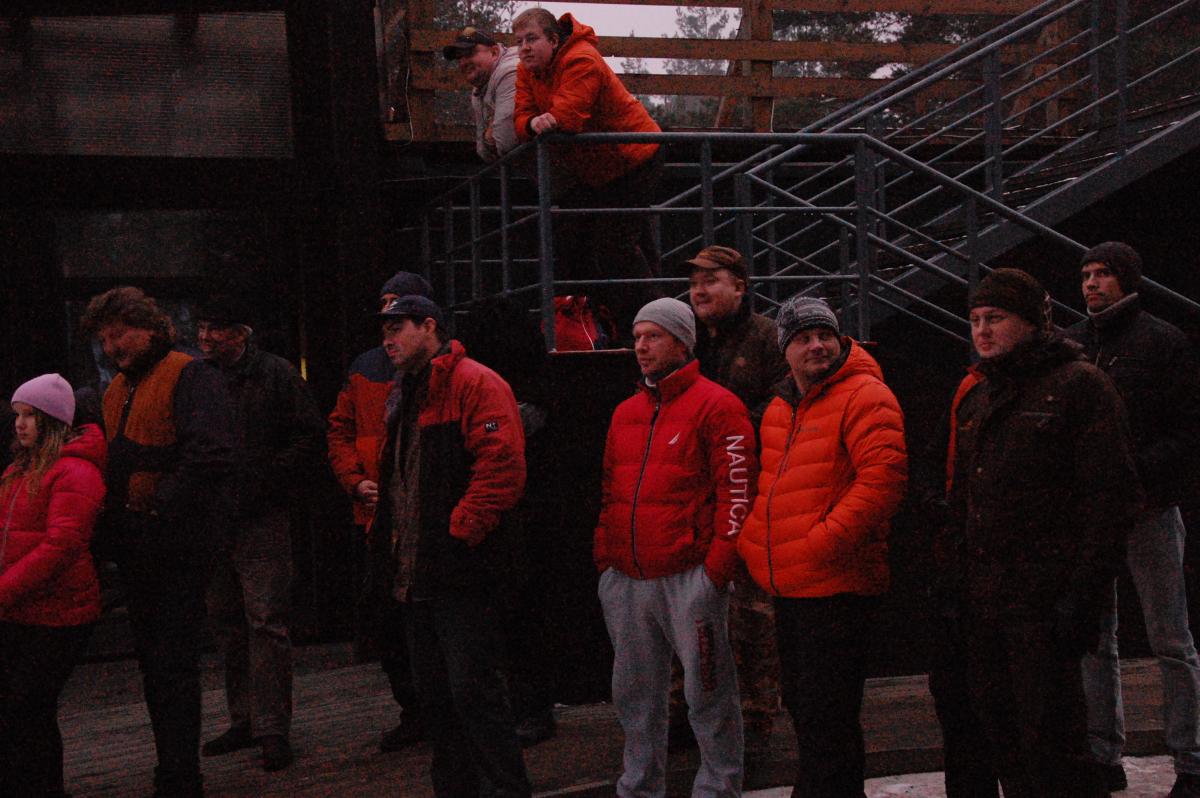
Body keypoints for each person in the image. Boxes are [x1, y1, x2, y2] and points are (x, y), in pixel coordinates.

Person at [938, 268, 1141, 797]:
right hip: (988, 600)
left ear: (1030, 321)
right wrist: (956, 584)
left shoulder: (1079, 386)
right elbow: (964, 500)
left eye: (995, 318)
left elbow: (1110, 499)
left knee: (1053, 744)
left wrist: (1083, 596)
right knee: (1005, 736)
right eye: (975, 320)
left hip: (1045, 599)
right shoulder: (980, 396)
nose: (982, 331)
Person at [738, 296, 907, 797]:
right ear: (784, 350)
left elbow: (882, 481)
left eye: (824, 335)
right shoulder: (779, 407)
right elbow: (770, 487)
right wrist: (755, 544)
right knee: (807, 711)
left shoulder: (865, 395)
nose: (816, 345)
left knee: (827, 715)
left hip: (837, 585)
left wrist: (819, 543)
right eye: (803, 338)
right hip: (792, 585)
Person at [594, 297, 757, 798]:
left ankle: (718, 788)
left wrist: (716, 569)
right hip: (628, 575)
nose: (641, 346)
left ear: (682, 342)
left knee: (707, 692)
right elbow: (609, 490)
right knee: (634, 695)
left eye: (653, 336)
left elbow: (737, 489)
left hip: (690, 575)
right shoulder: (625, 413)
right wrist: (607, 560)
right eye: (637, 337)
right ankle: (639, 787)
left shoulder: (718, 406)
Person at [369, 293, 530, 797]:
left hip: (459, 571)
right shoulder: (406, 390)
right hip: (418, 570)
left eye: (398, 327)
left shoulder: (474, 382)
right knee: (438, 698)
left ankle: (506, 790)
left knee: (474, 692)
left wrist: (461, 533)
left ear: (429, 326)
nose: (388, 339)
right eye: (385, 329)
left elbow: (501, 466)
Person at [80, 286, 236, 798]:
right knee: (155, 665)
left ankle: (180, 775)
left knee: (172, 665)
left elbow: (209, 455)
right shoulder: (116, 390)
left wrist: (161, 504)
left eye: (119, 335)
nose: (111, 348)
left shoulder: (190, 374)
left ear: (148, 327)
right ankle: (172, 768)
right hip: (137, 547)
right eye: (105, 340)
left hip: (176, 545)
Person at [1064, 242, 1200, 797]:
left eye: (1103, 274)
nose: (1092, 283)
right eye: (1086, 274)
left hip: (1148, 507)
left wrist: (1135, 475)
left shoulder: (1162, 341)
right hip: (1092, 513)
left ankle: (1191, 760)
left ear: (1128, 280)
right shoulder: (1074, 343)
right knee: (1096, 637)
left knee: (1171, 638)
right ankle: (1103, 755)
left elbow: (1186, 430)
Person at [194, 295, 325, 772]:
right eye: (202, 326)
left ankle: (270, 727)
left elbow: (309, 437)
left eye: (215, 328)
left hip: (260, 515)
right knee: (229, 623)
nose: (205, 337)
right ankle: (248, 719)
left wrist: (266, 479)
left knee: (264, 621)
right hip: (218, 516)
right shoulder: (202, 376)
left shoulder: (276, 374)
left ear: (241, 333)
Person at [673, 245, 788, 778]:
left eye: (711, 280)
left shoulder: (767, 338)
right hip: (695, 493)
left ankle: (756, 721)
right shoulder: (686, 339)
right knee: (689, 604)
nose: (699, 291)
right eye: (694, 282)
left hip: (751, 488)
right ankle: (687, 713)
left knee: (751, 613)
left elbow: (781, 405)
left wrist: (726, 432)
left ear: (740, 286)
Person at [327, 271, 433, 752]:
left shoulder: (444, 369)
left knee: (423, 618)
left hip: (420, 514)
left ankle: (433, 710)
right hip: (375, 514)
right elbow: (339, 430)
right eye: (384, 306)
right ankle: (413, 710)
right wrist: (354, 480)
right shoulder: (365, 366)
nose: (389, 317)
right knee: (387, 619)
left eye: (398, 307)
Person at [511, 8, 663, 336]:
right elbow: (521, 117)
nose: (524, 48)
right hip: (600, 169)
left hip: (633, 157)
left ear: (554, 40)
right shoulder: (528, 70)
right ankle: (633, 324)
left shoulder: (582, 58)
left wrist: (543, 121)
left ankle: (655, 324)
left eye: (531, 39)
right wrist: (533, 123)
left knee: (616, 247)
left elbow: (568, 117)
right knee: (608, 246)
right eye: (519, 41)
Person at [0, 374, 106, 798]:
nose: (19, 424)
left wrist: (4, 589)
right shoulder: (19, 469)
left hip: (59, 614)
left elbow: (61, 545)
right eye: (17, 415)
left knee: (28, 706)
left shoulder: (75, 471)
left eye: (30, 415)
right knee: (23, 711)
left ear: (53, 420)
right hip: (20, 609)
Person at [443, 27, 519, 163]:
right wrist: (489, 138)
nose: (463, 62)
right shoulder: (478, 89)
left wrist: (490, 138)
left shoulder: (511, 72)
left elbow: (506, 142)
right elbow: (483, 153)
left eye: (469, 54)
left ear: (494, 53)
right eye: (459, 58)